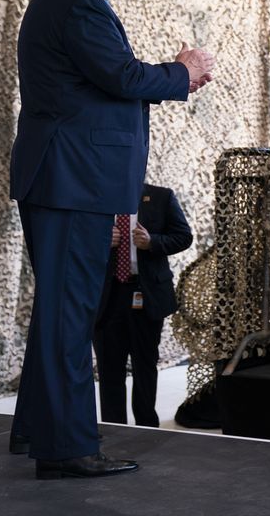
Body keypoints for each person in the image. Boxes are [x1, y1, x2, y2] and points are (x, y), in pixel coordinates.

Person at [8, 0, 214, 478]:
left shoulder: (71, 0)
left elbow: (107, 81)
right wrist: (182, 70)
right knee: (71, 314)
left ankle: (37, 430)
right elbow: (121, 77)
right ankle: (67, 448)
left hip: (65, 178)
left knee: (59, 310)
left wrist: (175, 76)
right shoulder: (76, 0)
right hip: (72, 181)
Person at [93, 183, 192, 428]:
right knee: (109, 368)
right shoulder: (97, 198)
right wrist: (100, 240)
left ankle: (147, 426)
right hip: (107, 296)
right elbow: (74, 238)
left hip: (146, 293)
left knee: (144, 364)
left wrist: (152, 242)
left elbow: (183, 236)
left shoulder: (161, 197)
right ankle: (113, 426)